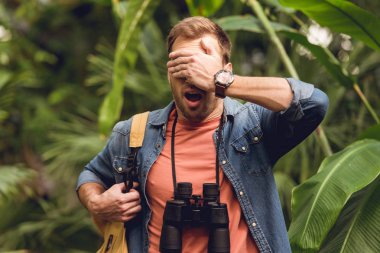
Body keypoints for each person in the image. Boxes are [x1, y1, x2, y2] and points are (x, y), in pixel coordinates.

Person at [76, 16, 328, 253]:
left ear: (226, 69)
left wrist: (222, 81)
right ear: (169, 74)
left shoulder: (254, 126)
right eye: (181, 65)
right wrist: (97, 203)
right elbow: (91, 175)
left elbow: (314, 103)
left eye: (200, 66)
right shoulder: (134, 133)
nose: (191, 76)